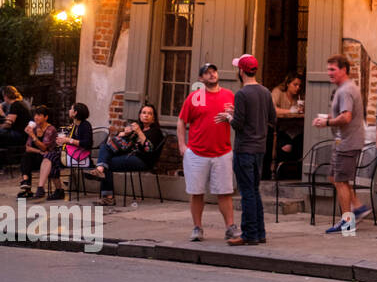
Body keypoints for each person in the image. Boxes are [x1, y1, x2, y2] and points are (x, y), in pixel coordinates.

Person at [177, 63, 238, 242]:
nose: (212, 75)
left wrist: (233, 116)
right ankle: (197, 228)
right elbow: (182, 121)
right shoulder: (195, 97)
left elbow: (238, 120)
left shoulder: (229, 95)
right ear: (201, 79)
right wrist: (182, 146)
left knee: (225, 192)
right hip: (197, 153)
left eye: (213, 71)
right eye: (207, 73)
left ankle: (230, 227)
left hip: (222, 152)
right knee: (196, 192)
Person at [315, 54, 371, 234]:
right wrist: (330, 118)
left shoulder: (346, 90)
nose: (329, 73)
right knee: (334, 177)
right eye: (328, 69)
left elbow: (346, 117)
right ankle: (358, 207)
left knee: (340, 181)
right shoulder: (344, 88)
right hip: (343, 142)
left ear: (343, 70)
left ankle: (347, 222)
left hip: (348, 142)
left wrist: (327, 122)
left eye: (333, 69)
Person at [227, 54, 275, 246]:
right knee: (254, 191)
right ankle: (260, 232)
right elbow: (272, 117)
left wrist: (229, 117)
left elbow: (238, 124)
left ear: (241, 71)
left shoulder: (241, 94)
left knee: (247, 192)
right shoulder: (265, 92)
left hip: (244, 148)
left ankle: (249, 234)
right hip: (260, 149)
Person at [86, 104, 165, 205]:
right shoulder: (137, 128)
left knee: (107, 163)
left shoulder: (155, 132)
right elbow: (123, 143)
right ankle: (100, 169)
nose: (146, 115)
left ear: (153, 117)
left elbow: (148, 149)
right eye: (144, 113)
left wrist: (139, 132)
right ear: (140, 115)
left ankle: (107, 194)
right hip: (129, 155)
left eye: (149, 113)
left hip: (143, 160)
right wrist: (124, 133)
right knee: (104, 147)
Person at [19, 106, 59, 200]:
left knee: (31, 157)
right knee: (26, 156)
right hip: (38, 156)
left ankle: (31, 187)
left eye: (39, 115)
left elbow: (45, 147)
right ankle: (26, 183)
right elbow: (28, 148)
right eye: (35, 115)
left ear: (46, 117)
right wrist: (39, 151)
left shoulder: (50, 129)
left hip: (49, 158)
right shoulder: (33, 128)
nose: (36, 117)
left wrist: (33, 135)